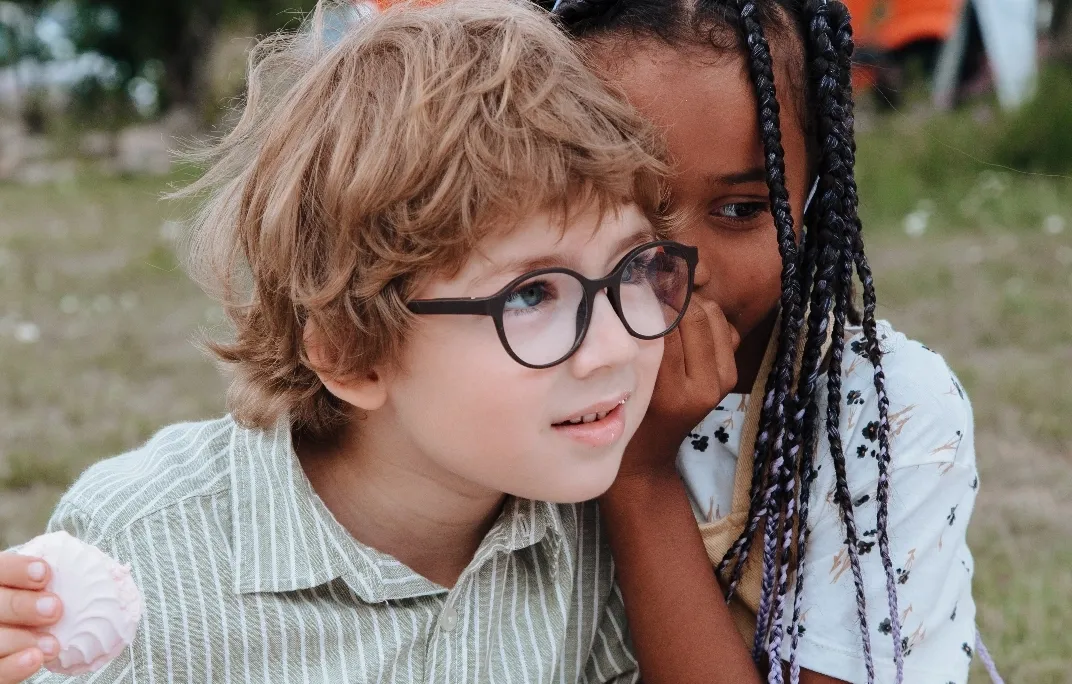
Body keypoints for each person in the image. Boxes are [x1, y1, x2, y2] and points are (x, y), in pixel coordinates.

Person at [0, 1, 735, 681]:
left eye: (634, 266)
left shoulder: (588, 526)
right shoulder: (146, 555)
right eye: (533, 294)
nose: (610, 348)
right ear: (353, 352)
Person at [543, 1, 983, 683]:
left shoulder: (888, 415)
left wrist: (640, 476)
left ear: (810, 200)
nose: (687, 267)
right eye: (629, 205)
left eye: (742, 210)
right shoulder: (504, 374)